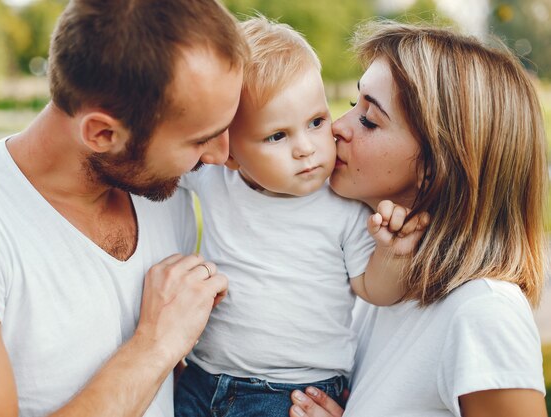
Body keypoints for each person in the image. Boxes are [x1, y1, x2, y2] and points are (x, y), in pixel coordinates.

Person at [0, 1, 248, 416]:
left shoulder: (167, 192)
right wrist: (155, 344)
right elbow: (158, 355)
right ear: (101, 133)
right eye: (200, 139)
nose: (222, 155)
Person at [287, 20, 548, 417]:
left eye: (369, 120)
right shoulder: (378, 278)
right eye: (355, 105)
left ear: (437, 167)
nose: (337, 127)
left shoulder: (484, 312)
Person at [174, 16, 426, 417]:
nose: (306, 148)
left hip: (292, 394)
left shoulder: (344, 203)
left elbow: (372, 288)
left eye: (316, 122)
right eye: (278, 135)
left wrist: (394, 254)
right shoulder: (216, 177)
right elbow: (159, 154)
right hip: (202, 377)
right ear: (230, 152)